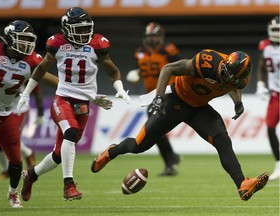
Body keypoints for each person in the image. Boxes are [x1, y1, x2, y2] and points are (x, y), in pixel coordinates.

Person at [91, 49, 270, 201]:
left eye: (231, 79)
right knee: (139, 145)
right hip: (175, 101)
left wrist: (237, 102)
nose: (225, 79)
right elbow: (168, 68)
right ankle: (111, 152)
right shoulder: (208, 61)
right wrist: (159, 98)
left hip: (199, 108)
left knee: (222, 139)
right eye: (225, 73)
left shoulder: (240, 81)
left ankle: (242, 184)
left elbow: (233, 87)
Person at [17, 7, 131, 202]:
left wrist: (119, 88)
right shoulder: (57, 43)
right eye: (79, 29)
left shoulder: (97, 44)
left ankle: (31, 175)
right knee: (70, 132)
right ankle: (68, 185)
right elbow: (41, 69)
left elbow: (112, 71)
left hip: (84, 103)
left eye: (87, 28)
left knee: (59, 154)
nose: (84, 33)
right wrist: (26, 94)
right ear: (67, 29)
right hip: (62, 100)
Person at [0, 20, 58, 208]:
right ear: (9, 39)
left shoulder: (31, 61)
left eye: (29, 41)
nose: (26, 45)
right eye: (22, 40)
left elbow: (51, 80)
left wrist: (85, 93)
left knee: (15, 159)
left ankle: (12, 194)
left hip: (3, 113)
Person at [126, 22, 181, 176]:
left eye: (154, 36)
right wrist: (136, 75)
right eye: (149, 36)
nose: (151, 40)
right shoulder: (139, 52)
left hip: (169, 93)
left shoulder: (168, 50)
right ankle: (172, 158)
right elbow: (143, 73)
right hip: (151, 95)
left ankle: (171, 161)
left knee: (153, 127)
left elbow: (180, 66)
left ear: (160, 37)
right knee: (156, 129)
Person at [0, 86, 43, 180]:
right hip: (1, 108)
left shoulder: (24, 71)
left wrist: (40, 113)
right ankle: (5, 170)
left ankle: (27, 154)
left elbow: (36, 91)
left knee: (9, 138)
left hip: (18, 108)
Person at [256, 16, 280, 181]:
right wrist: (260, 84)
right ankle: (279, 164)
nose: (276, 33)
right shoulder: (265, 46)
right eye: (274, 30)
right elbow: (262, 67)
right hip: (275, 94)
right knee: (270, 127)